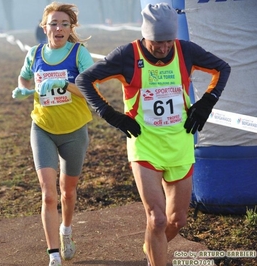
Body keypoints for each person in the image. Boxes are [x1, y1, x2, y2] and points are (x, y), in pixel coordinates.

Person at [75, 3, 230, 266]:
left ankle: (151, 248)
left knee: (176, 220)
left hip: (179, 144)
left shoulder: (185, 51)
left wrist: (207, 102)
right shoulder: (127, 55)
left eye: (169, 40)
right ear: (145, 34)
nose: (163, 47)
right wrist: (110, 114)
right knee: (156, 219)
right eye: (157, 41)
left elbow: (222, 68)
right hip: (144, 145)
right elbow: (84, 81)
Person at [11, 2, 94, 265]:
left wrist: (67, 85)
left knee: (67, 192)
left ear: (71, 28)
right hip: (43, 128)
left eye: (64, 24)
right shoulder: (34, 53)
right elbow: (24, 77)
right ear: (44, 27)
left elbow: (93, 89)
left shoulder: (80, 54)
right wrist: (23, 89)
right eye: (53, 24)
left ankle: (66, 231)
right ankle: (53, 254)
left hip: (74, 131)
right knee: (48, 194)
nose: (58, 28)